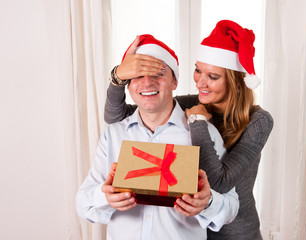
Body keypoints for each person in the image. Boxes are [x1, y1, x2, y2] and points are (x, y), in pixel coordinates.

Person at [103, 20, 274, 240]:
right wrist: (118, 76)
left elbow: (219, 182)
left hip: (235, 233)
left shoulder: (258, 121)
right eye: (197, 70)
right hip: (194, 228)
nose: (200, 82)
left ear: (236, 82)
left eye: (212, 77)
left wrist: (198, 122)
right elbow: (116, 117)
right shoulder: (191, 102)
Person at [76, 34, 239, 240]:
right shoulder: (114, 134)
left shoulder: (203, 133)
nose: (147, 83)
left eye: (158, 73)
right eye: (138, 75)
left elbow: (232, 206)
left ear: (174, 81)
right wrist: (105, 196)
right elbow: (82, 204)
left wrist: (208, 202)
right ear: (128, 85)